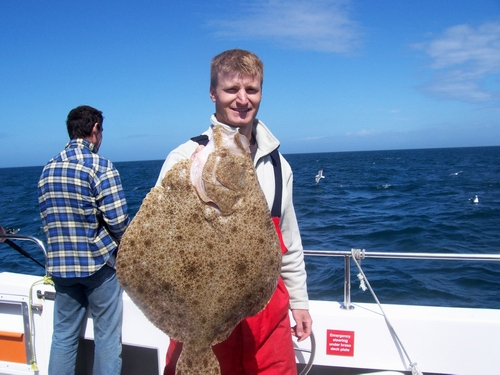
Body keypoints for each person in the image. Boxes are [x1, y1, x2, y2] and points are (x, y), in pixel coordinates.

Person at [157, 49, 312, 375]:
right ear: (213, 93)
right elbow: (161, 245)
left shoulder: (279, 166)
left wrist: (299, 302)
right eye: (231, 90)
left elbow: (289, 242)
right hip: (204, 317)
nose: (242, 99)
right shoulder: (185, 157)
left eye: (251, 90)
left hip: (269, 323)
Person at [38, 105, 130, 375]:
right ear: (94, 130)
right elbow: (119, 223)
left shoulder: (48, 169)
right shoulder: (100, 166)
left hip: (60, 270)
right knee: (107, 339)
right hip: (98, 267)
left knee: (63, 337)